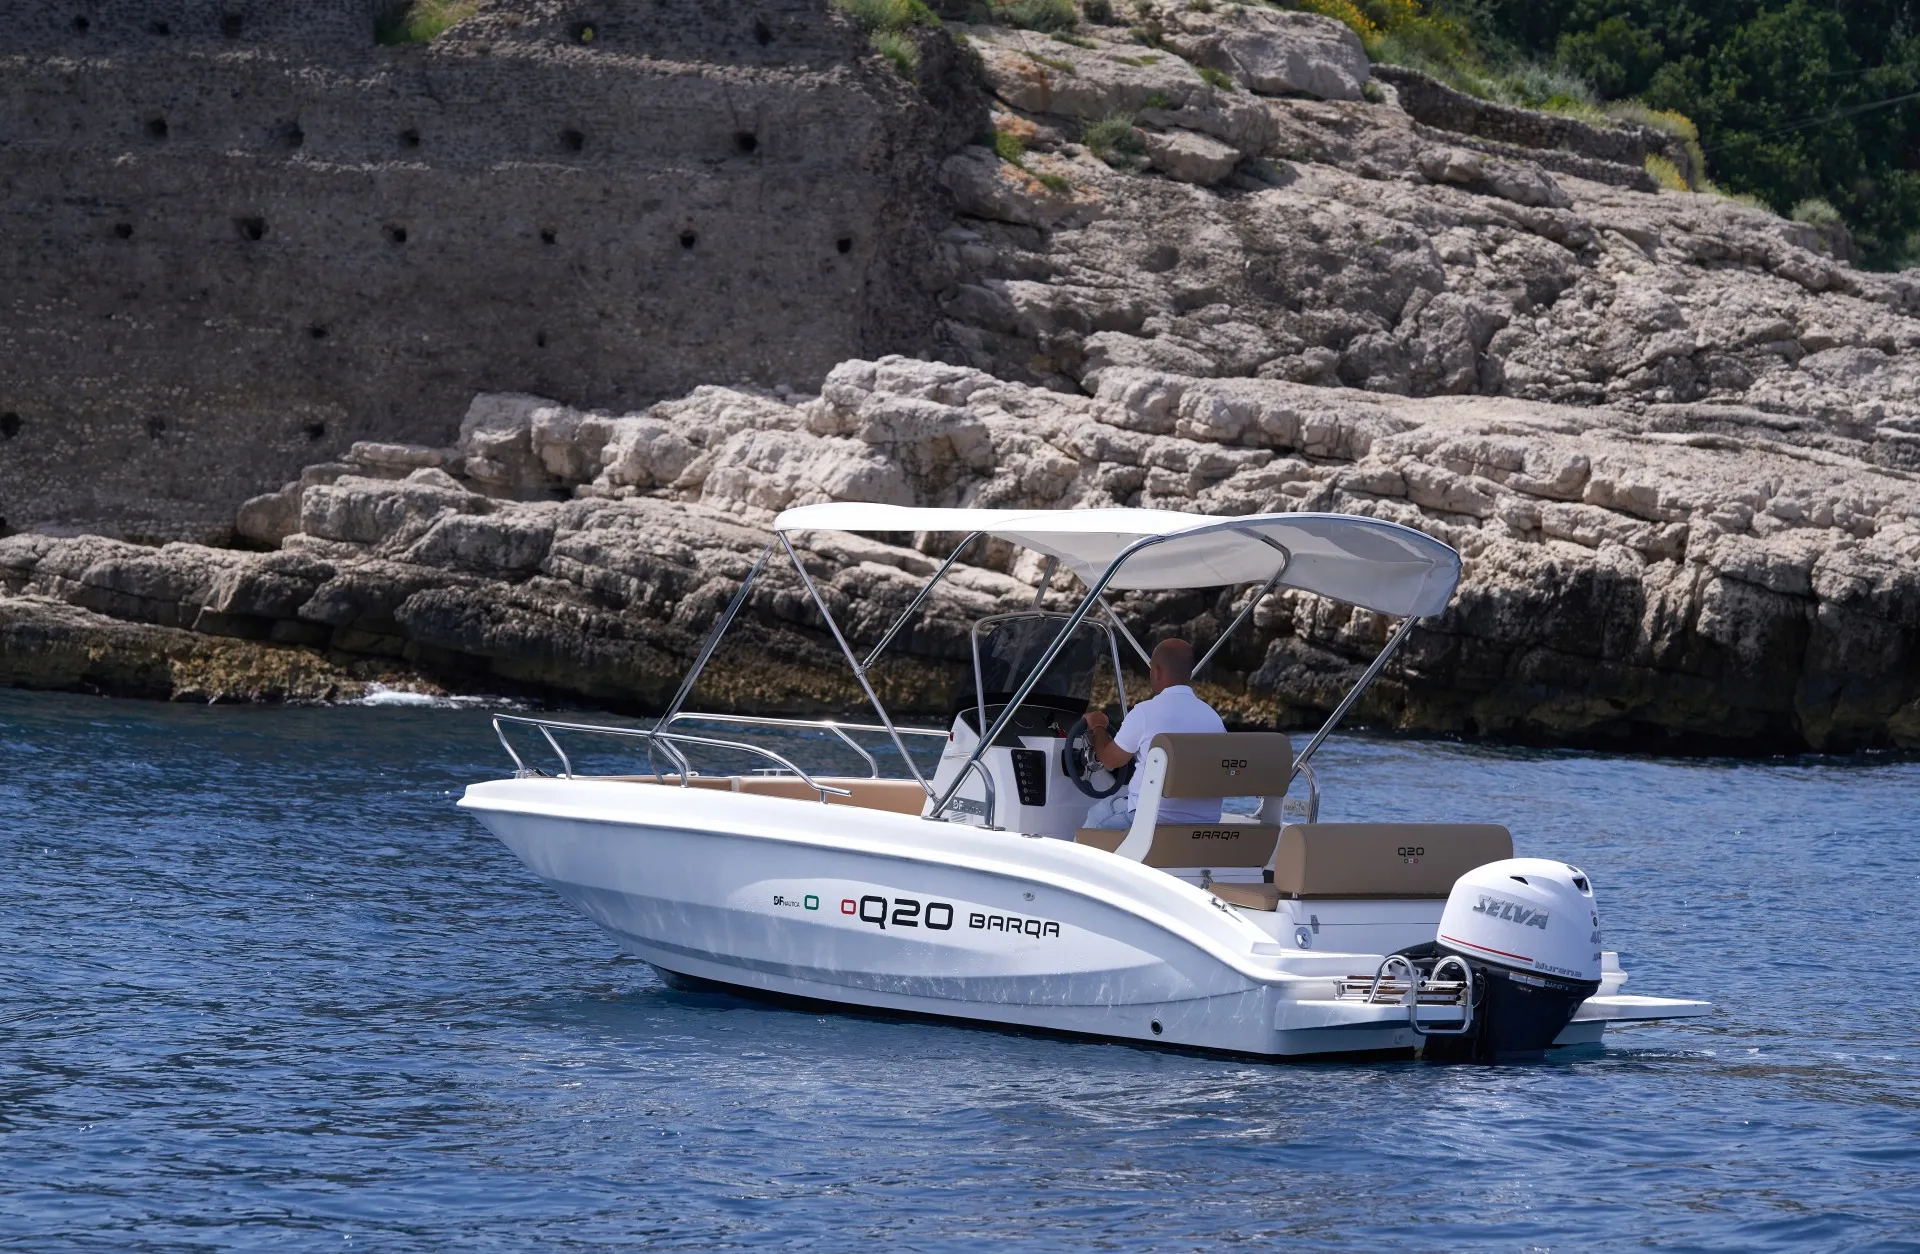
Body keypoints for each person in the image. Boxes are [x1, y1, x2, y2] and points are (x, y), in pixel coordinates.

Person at [1081, 638, 1225, 830]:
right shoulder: (1213, 718)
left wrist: (1098, 726)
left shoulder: (1144, 713)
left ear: (1156, 671)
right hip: (1203, 822)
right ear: (1190, 673)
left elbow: (1109, 761)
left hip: (1149, 818)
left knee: (1096, 815)